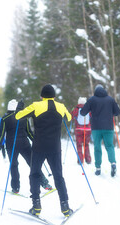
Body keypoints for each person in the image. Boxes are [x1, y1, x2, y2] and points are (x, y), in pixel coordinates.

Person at [15, 84, 73, 217]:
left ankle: (36, 206)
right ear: (54, 96)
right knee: (58, 176)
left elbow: (18, 117)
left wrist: (19, 107)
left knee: (34, 175)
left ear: (41, 96)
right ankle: (65, 207)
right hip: (55, 148)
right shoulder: (61, 106)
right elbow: (69, 118)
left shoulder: (36, 106)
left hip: (38, 147)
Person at [0, 99, 53, 194]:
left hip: (11, 145)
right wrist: (36, 141)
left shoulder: (5, 119)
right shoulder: (23, 117)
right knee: (33, 164)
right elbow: (29, 132)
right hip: (24, 144)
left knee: (14, 166)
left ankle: (15, 188)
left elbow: (1, 134)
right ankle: (45, 183)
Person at [80, 84, 120, 177]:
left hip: (96, 128)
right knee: (110, 146)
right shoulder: (110, 99)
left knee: (97, 147)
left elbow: (82, 113)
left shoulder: (92, 99)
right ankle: (113, 163)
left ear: (95, 90)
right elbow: (117, 112)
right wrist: (110, 112)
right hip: (109, 127)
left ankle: (98, 168)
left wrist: (87, 108)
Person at [71, 97, 92, 164]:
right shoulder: (89, 109)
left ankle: (80, 160)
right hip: (87, 129)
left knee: (79, 145)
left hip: (79, 129)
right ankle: (88, 159)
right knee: (86, 144)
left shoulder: (76, 109)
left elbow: (71, 117)